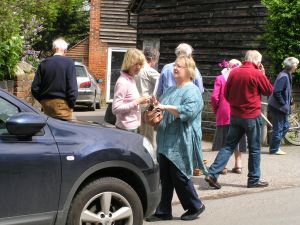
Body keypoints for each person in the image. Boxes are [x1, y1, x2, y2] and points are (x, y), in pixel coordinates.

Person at [146, 55, 206, 222]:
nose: (175, 69)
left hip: (181, 140)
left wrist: (165, 106)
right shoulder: (171, 89)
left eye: (179, 66)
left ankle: (196, 206)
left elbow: (187, 112)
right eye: (174, 66)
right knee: (164, 177)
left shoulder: (193, 91)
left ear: (189, 70)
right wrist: (156, 104)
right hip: (165, 139)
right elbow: (162, 108)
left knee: (179, 175)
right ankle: (163, 210)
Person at [204, 50, 273, 189]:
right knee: (254, 149)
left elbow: (227, 95)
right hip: (252, 116)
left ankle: (212, 173)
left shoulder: (234, 72)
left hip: (235, 116)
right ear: (257, 62)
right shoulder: (257, 73)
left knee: (228, 146)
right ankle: (253, 180)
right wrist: (263, 74)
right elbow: (268, 91)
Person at [211, 59, 247, 174]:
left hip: (224, 113)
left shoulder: (220, 78)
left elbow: (214, 97)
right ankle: (238, 164)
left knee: (224, 140)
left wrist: (216, 110)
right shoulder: (242, 79)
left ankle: (224, 166)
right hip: (239, 113)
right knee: (239, 138)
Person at [31, 37, 78, 120]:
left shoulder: (44, 63)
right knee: (72, 129)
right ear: (65, 51)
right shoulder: (69, 63)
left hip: (46, 105)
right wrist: (71, 105)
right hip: (62, 105)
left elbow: (34, 88)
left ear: (53, 49)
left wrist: (42, 101)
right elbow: (72, 89)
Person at [112, 48, 150, 132]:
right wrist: (137, 101)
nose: (139, 67)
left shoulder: (131, 79)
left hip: (132, 126)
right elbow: (115, 109)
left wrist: (141, 101)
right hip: (126, 128)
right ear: (128, 63)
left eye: (140, 64)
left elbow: (129, 100)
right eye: (136, 64)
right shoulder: (123, 82)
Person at [268, 57, 299, 155]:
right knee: (279, 127)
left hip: (281, 107)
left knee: (286, 126)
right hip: (278, 107)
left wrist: (290, 100)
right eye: (296, 64)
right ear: (293, 66)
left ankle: (274, 146)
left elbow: (285, 91)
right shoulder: (284, 76)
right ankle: (274, 149)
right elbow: (277, 92)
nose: (297, 66)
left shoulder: (287, 74)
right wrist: (284, 104)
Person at [135, 47, 160, 148]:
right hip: (145, 106)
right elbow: (162, 81)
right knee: (147, 137)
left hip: (136, 103)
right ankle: (150, 160)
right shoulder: (149, 70)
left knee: (138, 135)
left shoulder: (137, 68)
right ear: (153, 59)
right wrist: (155, 96)